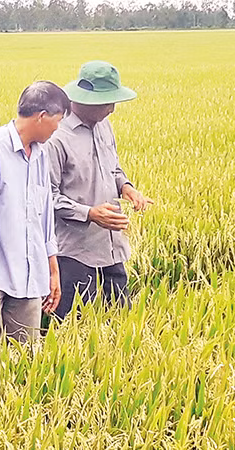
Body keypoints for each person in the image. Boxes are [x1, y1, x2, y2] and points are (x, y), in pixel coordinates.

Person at [0, 81, 69, 348]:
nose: (57, 128)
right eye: (57, 121)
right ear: (42, 116)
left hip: (30, 274)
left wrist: (52, 272)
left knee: (26, 356)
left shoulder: (41, 155)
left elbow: (45, 220)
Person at [47, 61, 154, 320]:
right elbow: (46, 196)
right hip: (74, 253)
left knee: (122, 320)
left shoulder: (104, 125)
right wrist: (90, 213)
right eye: (107, 102)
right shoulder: (56, 137)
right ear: (86, 101)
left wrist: (127, 188)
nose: (112, 109)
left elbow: (113, 168)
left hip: (111, 247)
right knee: (74, 326)